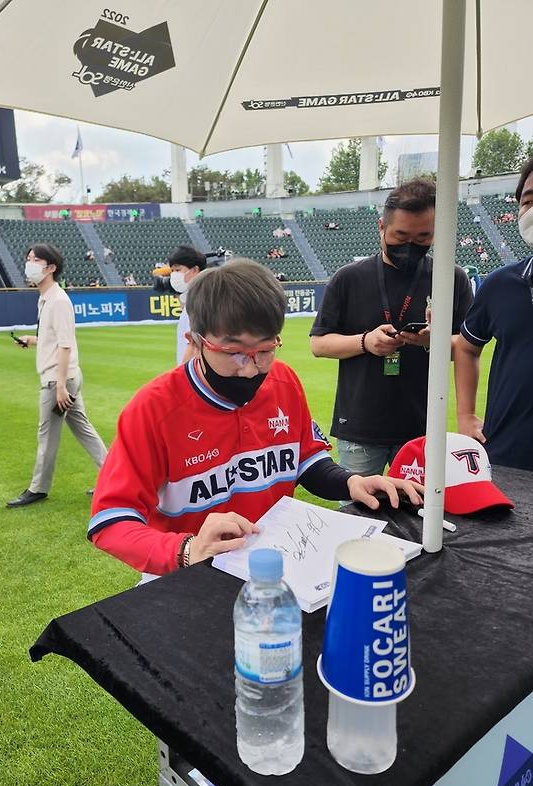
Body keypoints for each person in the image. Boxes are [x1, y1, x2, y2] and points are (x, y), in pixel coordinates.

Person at [88, 259, 422, 576]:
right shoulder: (154, 408)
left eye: (265, 349)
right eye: (233, 352)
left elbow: (306, 459)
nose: (250, 368)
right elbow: (111, 521)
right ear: (196, 341)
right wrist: (188, 550)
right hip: (187, 575)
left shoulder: (283, 381)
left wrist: (352, 482)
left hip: (276, 568)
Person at [310, 177, 473, 477]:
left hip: (422, 426)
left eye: (423, 237)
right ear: (381, 227)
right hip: (359, 428)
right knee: (357, 515)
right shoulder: (348, 278)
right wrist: (365, 342)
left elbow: (466, 348)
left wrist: (431, 341)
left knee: (418, 515)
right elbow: (318, 344)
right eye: (401, 235)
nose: (410, 245)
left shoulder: (452, 278)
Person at [6, 244, 107, 507]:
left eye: (36, 260)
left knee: (47, 435)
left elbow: (65, 345)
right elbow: (54, 340)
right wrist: (32, 340)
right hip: (65, 377)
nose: (30, 264)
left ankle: (38, 488)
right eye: (28, 259)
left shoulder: (58, 300)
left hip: (58, 380)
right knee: (84, 429)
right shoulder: (47, 297)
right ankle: (112, 478)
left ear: (51, 267)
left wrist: (60, 386)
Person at [454, 156, 533, 471]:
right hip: (508, 457)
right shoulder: (501, 284)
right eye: (528, 201)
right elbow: (466, 345)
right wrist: (465, 415)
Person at [169, 244, 207, 365]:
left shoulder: (199, 300)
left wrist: (181, 377)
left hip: (190, 373)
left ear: (195, 270)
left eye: (178, 270)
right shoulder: (196, 297)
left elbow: (192, 344)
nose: (174, 275)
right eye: (172, 271)